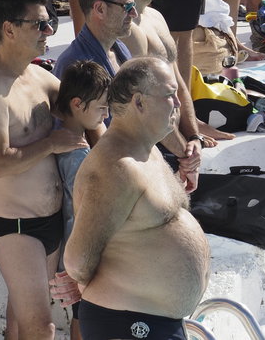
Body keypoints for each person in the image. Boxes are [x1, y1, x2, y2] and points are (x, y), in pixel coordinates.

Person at [0, 0, 88, 340]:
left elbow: (87, 110)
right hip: (14, 227)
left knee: (20, 324)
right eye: (40, 24)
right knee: (41, 326)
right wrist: (51, 142)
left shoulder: (41, 79)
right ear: (9, 29)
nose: (49, 32)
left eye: (49, 24)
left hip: (48, 222)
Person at [64, 57, 210, 339]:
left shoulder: (147, 150)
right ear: (139, 102)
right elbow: (78, 261)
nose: (179, 104)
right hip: (129, 323)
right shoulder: (116, 167)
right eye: (170, 95)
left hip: (154, 321)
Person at [110, 0, 223, 148]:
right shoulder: (126, 31)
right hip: (153, 146)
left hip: (177, 139)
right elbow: (144, 111)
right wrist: (184, 153)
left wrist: (193, 136)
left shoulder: (156, 16)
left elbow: (178, 82)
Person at [51, 59, 110, 340]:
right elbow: (85, 212)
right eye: (101, 107)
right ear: (77, 104)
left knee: (81, 316)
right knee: (85, 320)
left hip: (73, 254)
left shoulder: (66, 140)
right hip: (82, 257)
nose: (106, 114)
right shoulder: (76, 154)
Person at [55, 0, 136, 78]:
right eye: (128, 6)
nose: (134, 13)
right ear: (100, 9)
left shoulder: (120, 49)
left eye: (133, 6)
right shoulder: (74, 66)